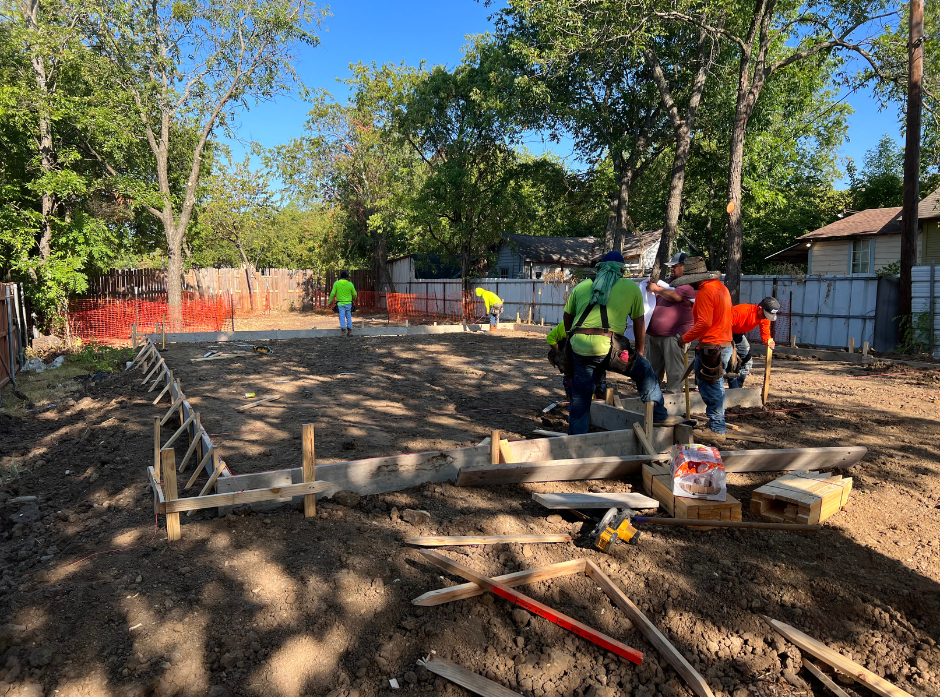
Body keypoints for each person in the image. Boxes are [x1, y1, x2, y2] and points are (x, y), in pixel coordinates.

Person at [563, 250, 677, 435]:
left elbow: (567, 317)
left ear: (600, 268)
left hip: (580, 347)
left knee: (581, 397)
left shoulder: (582, 286)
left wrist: (570, 337)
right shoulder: (630, 287)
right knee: (644, 371)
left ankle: (576, 438)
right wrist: (639, 352)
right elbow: (639, 322)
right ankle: (657, 414)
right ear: (622, 270)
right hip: (609, 348)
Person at [674, 257, 733, 436]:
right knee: (716, 385)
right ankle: (717, 424)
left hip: (712, 346)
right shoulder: (720, 287)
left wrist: (685, 338)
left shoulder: (705, 291)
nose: (689, 284)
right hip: (723, 343)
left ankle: (717, 428)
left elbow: (704, 323)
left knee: (710, 387)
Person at [646, 252, 697, 393]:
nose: (672, 269)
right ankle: (651, 397)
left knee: (675, 372)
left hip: (674, 336)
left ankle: (675, 398)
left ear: (685, 267)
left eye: (675, 266)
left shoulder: (689, 285)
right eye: (672, 266)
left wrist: (656, 289)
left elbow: (675, 296)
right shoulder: (669, 282)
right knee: (651, 371)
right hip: (656, 335)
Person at [728, 297, 780, 388]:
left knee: (747, 362)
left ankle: (736, 389)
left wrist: (768, 341)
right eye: (765, 315)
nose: (766, 318)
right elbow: (723, 326)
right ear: (759, 308)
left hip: (737, 334)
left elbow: (765, 332)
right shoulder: (741, 312)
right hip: (724, 333)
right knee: (727, 361)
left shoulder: (765, 316)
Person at [545, 322, 572, 400]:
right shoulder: (566, 324)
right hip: (570, 354)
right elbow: (550, 338)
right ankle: (570, 397)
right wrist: (561, 355)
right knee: (570, 375)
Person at [329, 271, 357, 336]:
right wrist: (354, 299)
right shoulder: (350, 284)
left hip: (340, 303)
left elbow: (332, 293)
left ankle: (343, 331)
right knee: (349, 316)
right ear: (347, 277)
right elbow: (355, 294)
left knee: (342, 316)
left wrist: (330, 301)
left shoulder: (337, 283)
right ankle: (350, 330)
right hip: (348, 303)